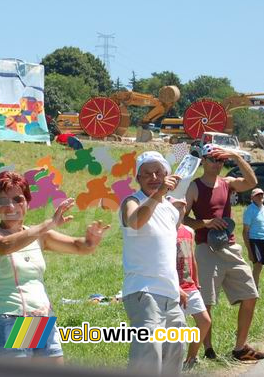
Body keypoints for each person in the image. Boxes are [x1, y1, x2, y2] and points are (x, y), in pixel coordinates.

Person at [0, 171, 110, 362]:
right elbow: (6, 246)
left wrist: (91, 240)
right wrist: (49, 224)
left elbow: (78, 246)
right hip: (12, 318)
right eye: (3, 200)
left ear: (28, 203)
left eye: (18, 199)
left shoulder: (38, 236)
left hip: (41, 316)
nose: (11, 206)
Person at [184, 144, 264, 362]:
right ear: (203, 161)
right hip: (206, 249)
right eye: (213, 159)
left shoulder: (227, 183)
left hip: (230, 247)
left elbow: (252, 182)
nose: (217, 163)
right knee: (207, 302)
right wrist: (206, 223)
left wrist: (235, 155)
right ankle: (208, 349)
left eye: (221, 160)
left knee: (251, 295)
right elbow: (182, 218)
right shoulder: (194, 187)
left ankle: (240, 348)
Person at [120, 151, 186, 375]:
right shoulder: (131, 201)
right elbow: (135, 222)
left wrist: (176, 285)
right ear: (137, 178)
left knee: (174, 354)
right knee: (148, 356)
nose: (154, 177)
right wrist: (159, 194)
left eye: (158, 172)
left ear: (167, 174)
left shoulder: (171, 209)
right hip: (143, 291)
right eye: (146, 173)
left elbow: (164, 250)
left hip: (170, 295)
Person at [175, 219, 212, 371]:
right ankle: (174, 366)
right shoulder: (165, 230)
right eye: (177, 206)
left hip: (190, 286)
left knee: (204, 321)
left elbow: (192, 258)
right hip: (174, 287)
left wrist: (196, 281)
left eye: (183, 206)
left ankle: (190, 359)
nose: (180, 209)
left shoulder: (189, 231)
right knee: (178, 329)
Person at [243, 188, 264, 294]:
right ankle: (255, 291)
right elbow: (245, 232)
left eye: (262, 194)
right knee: (257, 267)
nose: (260, 196)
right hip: (255, 241)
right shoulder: (250, 210)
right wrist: (249, 250)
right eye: (257, 195)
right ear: (252, 197)